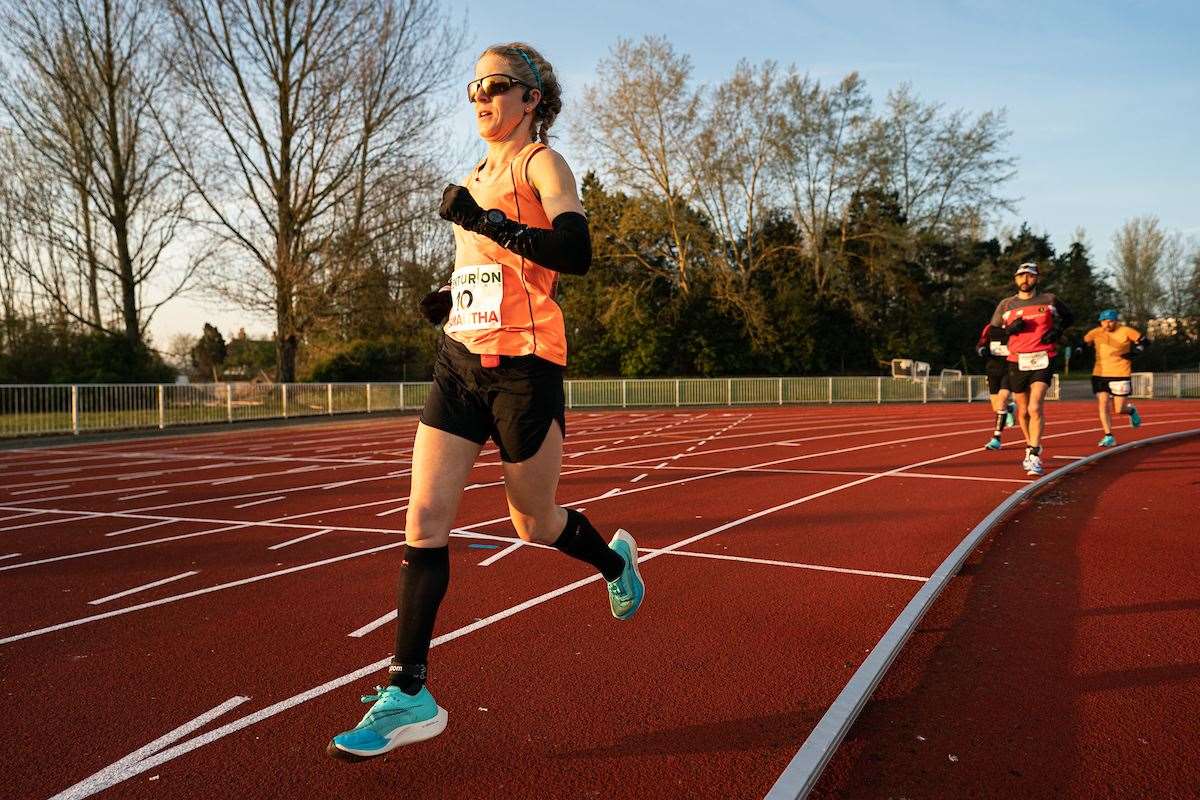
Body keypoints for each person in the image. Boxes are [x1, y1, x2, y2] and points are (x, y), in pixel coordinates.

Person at [327, 43, 645, 761]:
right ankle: (409, 692)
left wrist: (486, 222)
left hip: (525, 371)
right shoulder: (476, 172)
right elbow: (490, 269)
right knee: (424, 516)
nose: (481, 96)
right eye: (474, 85)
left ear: (531, 98)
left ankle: (616, 563)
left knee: (533, 522)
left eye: (496, 85)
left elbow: (575, 251)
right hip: (460, 361)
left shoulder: (542, 164)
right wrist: (452, 297)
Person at [989, 262, 1074, 476]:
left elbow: (1069, 317)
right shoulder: (1006, 305)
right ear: (1015, 279)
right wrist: (1010, 329)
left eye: (1030, 276)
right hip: (1017, 361)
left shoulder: (1049, 300)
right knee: (1023, 409)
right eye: (1021, 276)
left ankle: (1034, 453)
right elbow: (994, 333)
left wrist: (1056, 331)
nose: (1025, 280)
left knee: (1035, 407)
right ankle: (1030, 445)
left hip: (1043, 357)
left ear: (1037, 278)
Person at [1082, 309, 1146, 446]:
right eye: (1104, 321)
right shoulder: (1095, 332)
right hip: (1100, 374)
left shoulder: (1126, 331)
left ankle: (1131, 411)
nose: (1108, 324)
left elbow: (1144, 341)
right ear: (1100, 322)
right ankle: (1108, 435)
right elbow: (1084, 342)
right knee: (1103, 403)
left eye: (1111, 321)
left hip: (1120, 373)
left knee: (1119, 409)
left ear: (1116, 321)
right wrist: (1080, 350)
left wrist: (1137, 351)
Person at [975, 321, 1022, 450]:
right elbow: (980, 344)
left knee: (1002, 400)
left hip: (1010, 369)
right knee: (997, 407)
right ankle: (1010, 409)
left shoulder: (1016, 327)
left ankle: (996, 438)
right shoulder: (990, 328)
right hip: (993, 370)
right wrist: (981, 350)